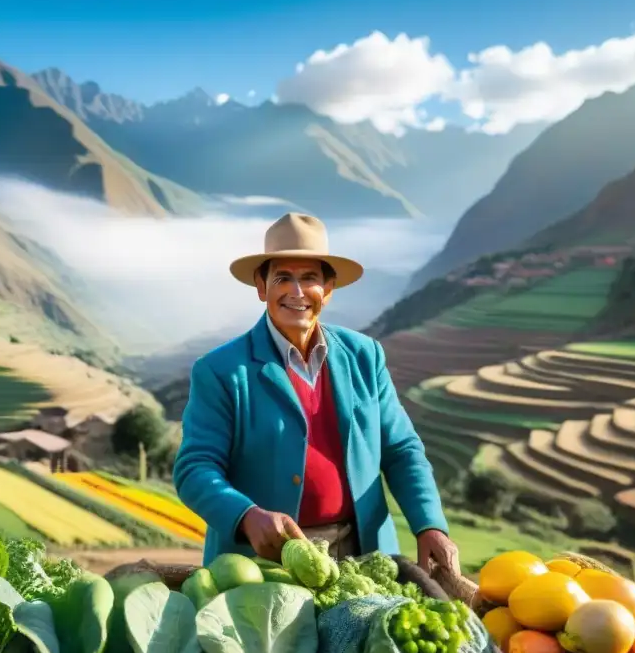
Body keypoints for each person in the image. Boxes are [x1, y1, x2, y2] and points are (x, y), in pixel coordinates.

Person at [172, 212, 460, 579]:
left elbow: (402, 449)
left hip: (366, 557)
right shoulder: (222, 371)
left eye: (309, 278)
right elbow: (195, 469)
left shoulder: (364, 355)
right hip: (264, 566)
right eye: (282, 279)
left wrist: (429, 524)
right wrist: (245, 515)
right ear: (261, 288)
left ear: (327, 288)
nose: (296, 292)